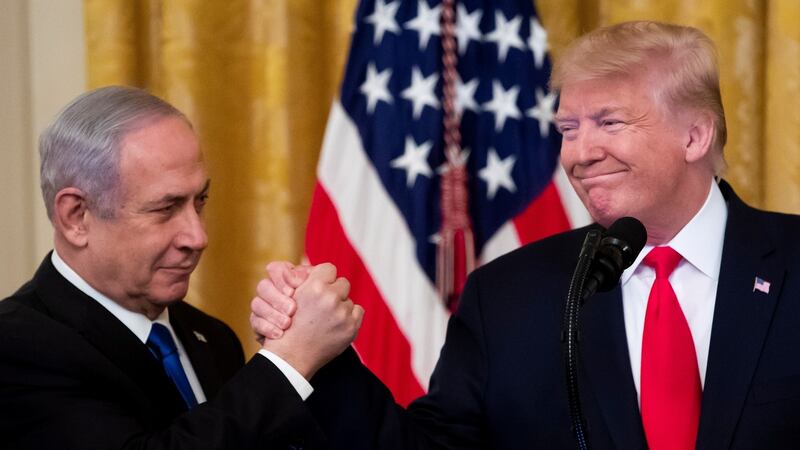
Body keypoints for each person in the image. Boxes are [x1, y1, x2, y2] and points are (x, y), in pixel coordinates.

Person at [251, 21, 800, 449]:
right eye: (567, 128)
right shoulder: (508, 296)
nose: (580, 154)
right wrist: (321, 358)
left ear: (695, 134)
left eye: (610, 123)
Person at [0, 86, 363, 450]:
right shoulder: (17, 345)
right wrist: (291, 359)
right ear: (76, 217)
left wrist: (307, 342)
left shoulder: (213, 339)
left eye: (199, 201)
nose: (197, 236)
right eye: (166, 208)